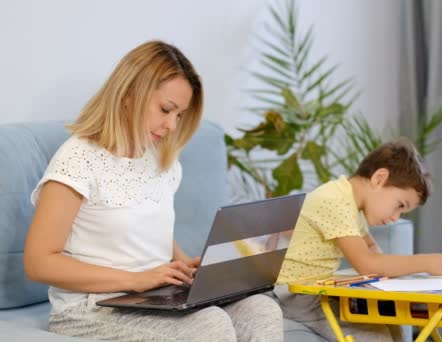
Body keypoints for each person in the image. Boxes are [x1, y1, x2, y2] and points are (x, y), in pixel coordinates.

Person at [23, 40, 283, 342]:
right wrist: (136, 280)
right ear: (130, 93)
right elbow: (38, 262)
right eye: (166, 109)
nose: (171, 125)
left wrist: (183, 266)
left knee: (261, 309)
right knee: (209, 325)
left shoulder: (161, 160)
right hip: (89, 308)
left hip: (152, 295)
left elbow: (140, 223)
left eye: (179, 115)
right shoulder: (78, 159)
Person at [272, 138, 442, 342]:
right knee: (379, 337)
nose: (395, 218)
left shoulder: (352, 205)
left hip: (317, 291)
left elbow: (371, 249)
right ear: (379, 178)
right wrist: (426, 263)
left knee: (392, 324)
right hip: (295, 296)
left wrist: (389, 268)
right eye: (400, 205)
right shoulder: (334, 200)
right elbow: (367, 263)